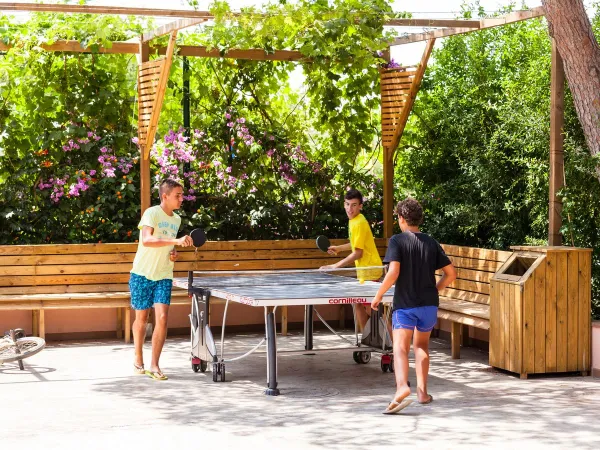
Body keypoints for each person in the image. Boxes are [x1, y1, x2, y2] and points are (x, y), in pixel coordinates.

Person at [371, 198, 456, 414]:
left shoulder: (397, 241)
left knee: (400, 347)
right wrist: (434, 290)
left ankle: (402, 387)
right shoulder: (431, 242)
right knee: (421, 347)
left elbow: (393, 273)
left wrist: (378, 295)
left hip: (406, 305)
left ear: (401, 218)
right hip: (428, 306)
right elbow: (451, 274)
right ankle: (422, 393)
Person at [129, 178, 193, 381]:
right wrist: (175, 241)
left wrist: (174, 253)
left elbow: (168, 246)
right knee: (142, 319)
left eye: (182, 195)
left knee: (163, 318)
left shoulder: (177, 219)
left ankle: (155, 365)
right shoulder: (152, 213)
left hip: (164, 274)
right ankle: (138, 355)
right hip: (141, 273)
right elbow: (147, 240)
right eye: (178, 195)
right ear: (165, 196)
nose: (181, 199)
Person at [320, 188, 385, 333]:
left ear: (360, 206)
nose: (350, 208)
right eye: (348, 204)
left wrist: (335, 266)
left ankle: (392, 343)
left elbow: (358, 253)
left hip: (370, 270)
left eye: (354, 205)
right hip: (364, 271)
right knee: (357, 304)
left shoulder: (359, 222)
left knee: (371, 308)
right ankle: (366, 338)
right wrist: (339, 248)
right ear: (344, 204)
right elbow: (356, 243)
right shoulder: (354, 221)